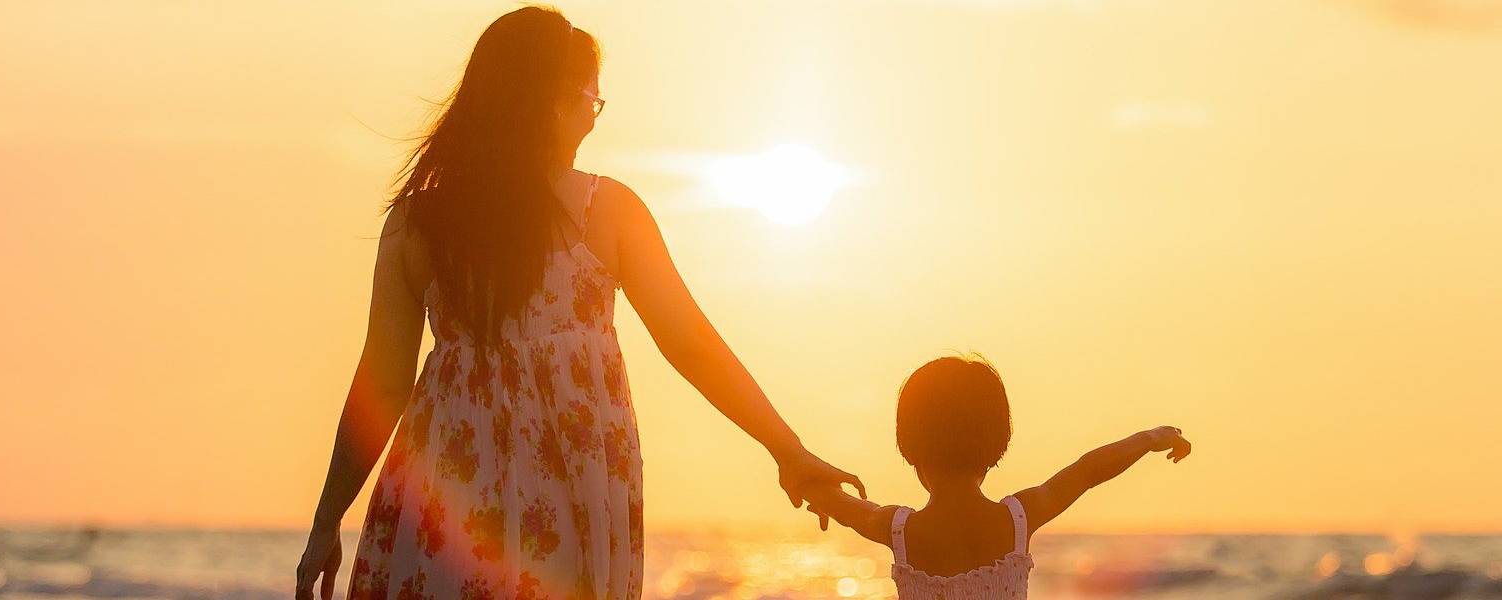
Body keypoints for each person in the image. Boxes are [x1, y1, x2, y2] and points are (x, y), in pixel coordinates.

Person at [293, 7, 862, 599]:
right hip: (574, 490)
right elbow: (689, 344)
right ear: (554, 101)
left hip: (444, 495)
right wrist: (787, 450)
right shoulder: (606, 211)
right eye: (592, 98)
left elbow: (383, 386)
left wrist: (327, 519)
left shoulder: (416, 223)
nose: (594, 115)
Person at [799, 356, 1193, 599]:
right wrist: (1149, 438)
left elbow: (842, 504)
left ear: (910, 447)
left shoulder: (897, 528)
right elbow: (1088, 470)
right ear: (997, 444)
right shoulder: (1018, 519)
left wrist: (813, 489)